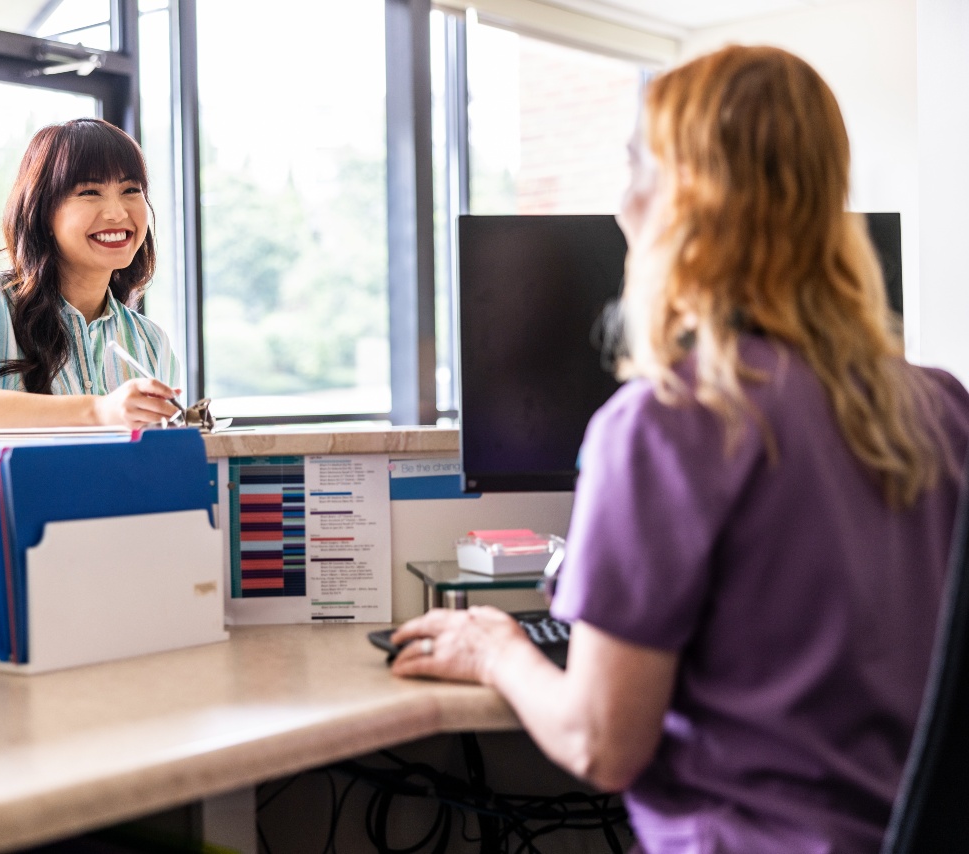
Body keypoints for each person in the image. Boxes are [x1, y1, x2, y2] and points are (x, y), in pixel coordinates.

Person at [391, 45, 969, 854]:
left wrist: (500, 652)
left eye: (636, 168)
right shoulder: (942, 408)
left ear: (684, 201)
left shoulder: (666, 425)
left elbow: (601, 743)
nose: (622, 202)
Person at [0, 118, 181, 437]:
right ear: (43, 211)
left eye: (131, 190)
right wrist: (99, 411)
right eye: (90, 192)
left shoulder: (150, 342)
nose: (118, 213)